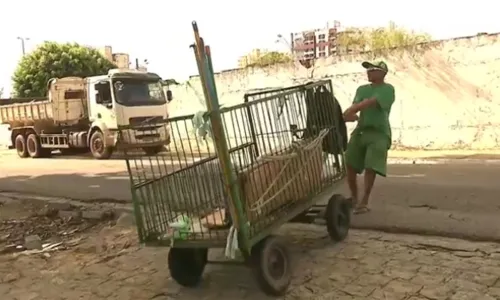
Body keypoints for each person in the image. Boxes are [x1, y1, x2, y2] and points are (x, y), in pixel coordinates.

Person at [342, 61, 395, 214]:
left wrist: (352, 109)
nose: (369, 72)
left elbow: (370, 103)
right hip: (361, 131)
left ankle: (364, 201)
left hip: (378, 133)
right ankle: (354, 197)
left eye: (373, 70)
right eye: (368, 70)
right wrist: (349, 116)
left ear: (383, 73)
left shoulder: (387, 89)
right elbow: (355, 109)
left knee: (370, 166)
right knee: (349, 163)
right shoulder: (362, 89)